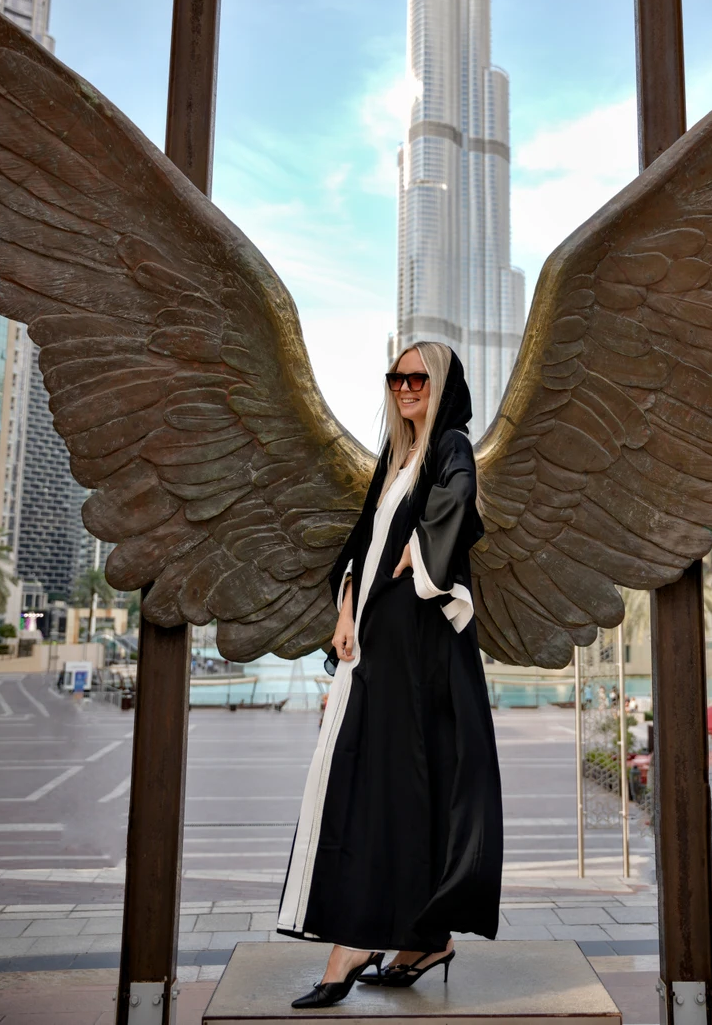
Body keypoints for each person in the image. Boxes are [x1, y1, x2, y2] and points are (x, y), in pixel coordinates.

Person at [278, 342, 503, 1009]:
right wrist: (346, 607)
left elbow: (455, 507)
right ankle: (422, 939)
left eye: (418, 378)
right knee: (389, 786)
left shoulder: (450, 448)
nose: (406, 388)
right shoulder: (395, 458)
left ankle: (356, 943)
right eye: (397, 378)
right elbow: (364, 542)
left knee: (391, 787)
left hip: (419, 645)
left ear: (442, 385)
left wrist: (419, 545)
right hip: (379, 638)